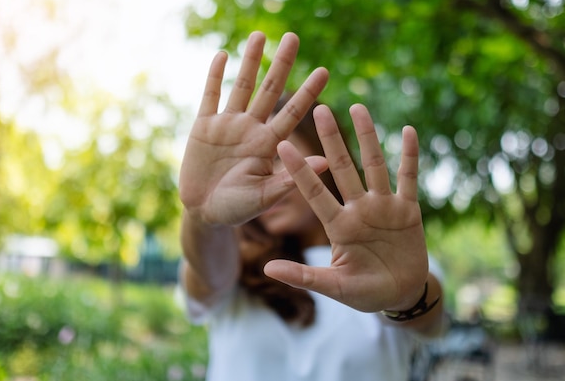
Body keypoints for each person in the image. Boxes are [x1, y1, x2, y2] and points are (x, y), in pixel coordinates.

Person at [178, 30, 447, 381]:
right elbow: (207, 276)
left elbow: (430, 320)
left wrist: (406, 296)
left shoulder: (394, 256)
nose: (259, 177)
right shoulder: (231, 260)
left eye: (277, 157)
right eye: (245, 166)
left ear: (331, 157)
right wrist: (203, 215)